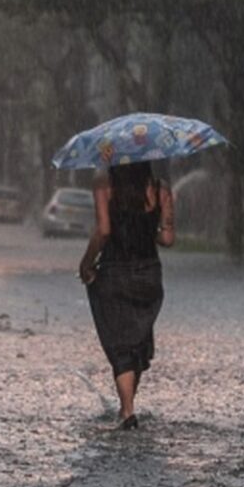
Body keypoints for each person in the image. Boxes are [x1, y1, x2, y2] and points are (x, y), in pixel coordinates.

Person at [78, 161, 175, 430]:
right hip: (149, 275)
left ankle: (127, 411)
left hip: (114, 273)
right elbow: (167, 239)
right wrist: (146, 228)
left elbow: (104, 231)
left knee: (119, 342)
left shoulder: (103, 184)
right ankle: (128, 405)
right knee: (138, 339)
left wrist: (86, 263)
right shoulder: (160, 189)